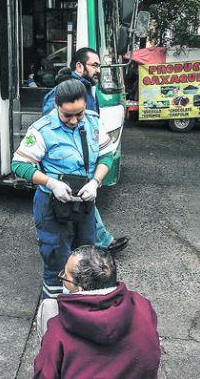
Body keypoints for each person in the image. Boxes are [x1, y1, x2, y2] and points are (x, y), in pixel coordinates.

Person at [12, 79, 115, 299]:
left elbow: (107, 155)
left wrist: (95, 181)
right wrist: (51, 182)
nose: (75, 120)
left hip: (84, 203)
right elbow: (19, 165)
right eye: (68, 115)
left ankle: (82, 307)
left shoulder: (93, 122)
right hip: (52, 205)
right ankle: (52, 309)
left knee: (87, 261)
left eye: (79, 113)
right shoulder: (41, 130)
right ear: (57, 104)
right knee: (56, 260)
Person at [40, 47, 129, 255]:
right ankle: (96, 243)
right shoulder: (74, 91)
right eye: (95, 65)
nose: (98, 70)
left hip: (80, 160)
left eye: (99, 65)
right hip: (70, 162)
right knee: (77, 198)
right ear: (79, 66)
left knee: (83, 197)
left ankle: (94, 240)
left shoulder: (86, 88)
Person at [33, 245, 161, 379]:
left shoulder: (58, 331)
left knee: (48, 306)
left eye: (65, 276)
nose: (63, 277)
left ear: (80, 288)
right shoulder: (141, 305)